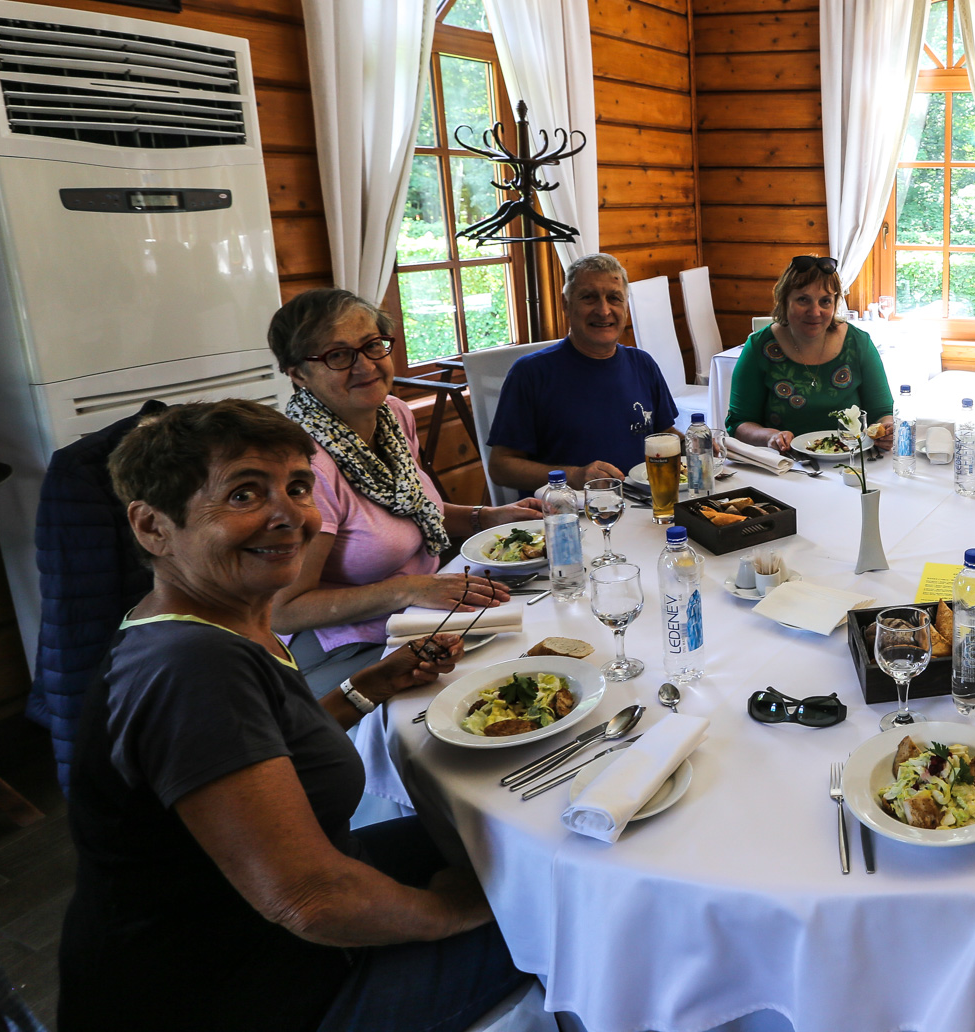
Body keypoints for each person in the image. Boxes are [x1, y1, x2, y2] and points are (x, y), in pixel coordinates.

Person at [60, 399, 523, 1032]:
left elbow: (269, 753)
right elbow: (309, 899)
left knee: (507, 839)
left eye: (298, 487)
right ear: (153, 527)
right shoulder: (193, 669)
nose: (290, 516)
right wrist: (449, 912)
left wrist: (366, 687)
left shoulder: (215, 616)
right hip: (246, 991)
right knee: (567, 913)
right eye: (246, 494)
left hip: (262, 925)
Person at [267, 289, 541, 694]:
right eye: (338, 355)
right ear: (298, 373)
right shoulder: (306, 466)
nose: (365, 365)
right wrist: (411, 589)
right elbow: (284, 611)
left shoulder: (391, 415)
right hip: (344, 647)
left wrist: (486, 516)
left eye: (373, 345)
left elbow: (412, 509)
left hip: (423, 614)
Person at [487, 253, 682, 494]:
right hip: (568, 516)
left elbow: (665, 434)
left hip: (643, 506)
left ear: (626, 308)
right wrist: (573, 476)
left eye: (614, 298)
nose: (603, 310)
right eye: (589, 298)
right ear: (566, 304)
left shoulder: (642, 363)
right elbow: (500, 467)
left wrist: (698, 444)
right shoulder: (530, 373)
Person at [726, 254, 895, 450]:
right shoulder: (759, 346)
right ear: (784, 300)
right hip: (787, 465)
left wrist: (887, 429)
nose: (815, 312)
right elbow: (739, 423)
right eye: (803, 300)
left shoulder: (858, 343)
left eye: (825, 301)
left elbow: (883, 412)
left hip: (851, 461)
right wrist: (769, 437)